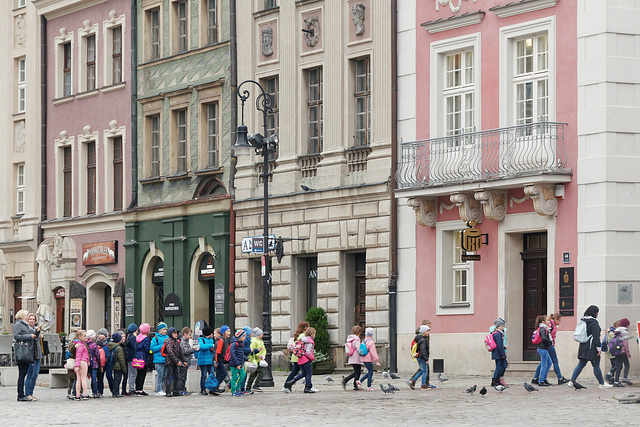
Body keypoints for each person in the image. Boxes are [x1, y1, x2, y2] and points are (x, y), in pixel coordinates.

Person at [568, 305, 612, 389]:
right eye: (597, 312)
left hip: (583, 345)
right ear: (594, 313)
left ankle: (572, 381)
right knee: (596, 364)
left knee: (581, 364)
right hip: (592, 347)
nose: (597, 314)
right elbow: (596, 337)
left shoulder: (584, 320)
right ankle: (602, 383)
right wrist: (599, 348)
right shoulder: (594, 323)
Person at [532, 313, 569, 385]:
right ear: (555, 319)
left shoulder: (549, 325)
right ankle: (557, 378)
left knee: (547, 362)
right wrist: (550, 342)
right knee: (552, 361)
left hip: (546, 346)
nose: (560, 322)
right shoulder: (548, 326)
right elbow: (545, 337)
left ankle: (537, 378)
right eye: (559, 320)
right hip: (546, 346)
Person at [284, 327, 317, 394]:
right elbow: (308, 352)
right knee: (309, 373)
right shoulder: (310, 341)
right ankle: (307, 388)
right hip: (306, 359)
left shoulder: (303, 339)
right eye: (314, 334)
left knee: (304, 373)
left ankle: (290, 382)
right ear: (312, 334)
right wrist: (312, 358)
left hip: (300, 358)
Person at [13, 309, 35, 402]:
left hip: (27, 351)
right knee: (22, 374)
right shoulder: (18, 324)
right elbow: (17, 336)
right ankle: (20, 394)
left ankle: (22, 394)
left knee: (23, 374)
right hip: (22, 351)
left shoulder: (24, 325)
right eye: (26, 315)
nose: (27, 317)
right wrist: (30, 336)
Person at [283, 321, 309, 392]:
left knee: (294, 372)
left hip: (295, 356)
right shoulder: (303, 336)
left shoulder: (297, 335)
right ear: (305, 328)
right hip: (301, 357)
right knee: (307, 372)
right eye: (308, 327)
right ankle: (308, 386)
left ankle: (286, 386)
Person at [164, 327, 187, 397]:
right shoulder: (168, 341)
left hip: (175, 362)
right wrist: (177, 361)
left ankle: (176, 391)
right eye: (174, 333)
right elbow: (170, 352)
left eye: (176, 333)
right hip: (170, 362)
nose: (176, 334)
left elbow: (180, 352)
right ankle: (167, 391)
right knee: (169, 377)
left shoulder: (176, 341)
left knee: (177, 376)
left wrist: (184, 360)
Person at [24, 313, 42, 401]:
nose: (32, 321)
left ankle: (31, 392)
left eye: (33, 319)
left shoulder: (36, 329)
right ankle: (27, 394)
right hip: (30, 355)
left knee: (35, 375)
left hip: (37, 354)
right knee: (30, 375)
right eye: (30, 319)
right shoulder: (27, 329)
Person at [407, 325, 430, 390]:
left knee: (422, 370)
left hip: (419, 357)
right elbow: (423, 350)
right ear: (423, 332)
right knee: (425, 371)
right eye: (427, 331)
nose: (428, 332)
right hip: (422, 357)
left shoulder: (418, 338)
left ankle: (413, 381)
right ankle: (423, 385)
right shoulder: (423, 340)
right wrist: (426, 359)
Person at [534, 315, 554, 387]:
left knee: (549, 362)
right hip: (542, 348)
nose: (549, 322)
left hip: (544, 348)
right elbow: (544, 338)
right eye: (547, 320)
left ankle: (544, 379)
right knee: (544, 364)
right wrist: (550, 342)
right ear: (543, 322)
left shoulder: (545, 328)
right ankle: (541, 380)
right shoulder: (542, 328)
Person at [613, 318, 633, 387]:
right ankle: (624, 377)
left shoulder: (616, 331)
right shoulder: (624, 332)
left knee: (619, 366)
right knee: (627, 364)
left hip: (616, 351)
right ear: (626, 325)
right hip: (622, 352)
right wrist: (628, 354)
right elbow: (625, 345)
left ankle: (616, 381)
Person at [341, 325, 362, 391]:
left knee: (356, 372)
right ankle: (353, 384)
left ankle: (351, 382)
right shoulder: (356, 339)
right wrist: (363, 353)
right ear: (359, 332)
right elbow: (358, 348)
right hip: (356, 358)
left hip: (351, 358)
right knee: (357, 372)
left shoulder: (350, 339)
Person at [150, 322, 169, 396]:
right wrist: (162, 346)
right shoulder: (155, 338)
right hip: (158, 360)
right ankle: (159, 389)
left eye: (166, 329)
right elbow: (152, 348)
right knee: (160, 375)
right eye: (164, 329)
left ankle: (163, 389)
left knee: (165, 375)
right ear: (160, 330)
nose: (165, 331)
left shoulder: (167, 337)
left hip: (166, 359)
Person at [229, 329, 248, 396]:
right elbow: (233, 354)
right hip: (234, 364)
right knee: (234, 377)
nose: (245, 337)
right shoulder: (234, 344)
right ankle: (233, 391)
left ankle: (237, 388)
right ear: (239, 336)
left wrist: (246, 359)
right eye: (243, 336)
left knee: (243, 375)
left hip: (239, 363)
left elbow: (241, 354)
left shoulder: (240, 344)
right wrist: (237, 363)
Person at [197, 326, 216, 395]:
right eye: (211, 333)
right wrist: (211, 345)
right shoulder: (201, 339)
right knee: (204, 376)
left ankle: (212, 389)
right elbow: (202, 347)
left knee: (212, 375)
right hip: (203, 361)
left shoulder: (211, 339)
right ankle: (203, 389)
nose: (212, 335)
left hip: (210, 360)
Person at [246, 327, 266, 392]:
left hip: (259, 360)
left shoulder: (260, 341)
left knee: (254, 374)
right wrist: (258, 355)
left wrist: (263, 355)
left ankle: (249, 386)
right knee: (258, 373)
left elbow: (264, 350)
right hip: (254, 360)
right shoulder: (254, 341)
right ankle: (253, 386)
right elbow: (252, 351)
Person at [134, 323, 151, 396]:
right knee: (142, 374)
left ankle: (137, 389)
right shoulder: (146, 339)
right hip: (144, 359)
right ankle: (140, 390)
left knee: (138, 374)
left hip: (138, 358)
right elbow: (147, 349)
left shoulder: (138, 338)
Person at [73, 330, 91, 400]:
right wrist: (77, 365)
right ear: (80, 336)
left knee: (79, 379)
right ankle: (85, 393)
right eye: (84, 336)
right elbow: (78, 355)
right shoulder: (80, 345)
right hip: (82, 362)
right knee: (83, 378)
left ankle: (78, 394)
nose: (85, 337)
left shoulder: (78, 344)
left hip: (81, 361)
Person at [490, 318, 508, 388]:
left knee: (503, 365)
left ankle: (497, 379)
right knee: (499, 366)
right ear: (498, 326)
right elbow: (499, 345)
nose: (503, 327)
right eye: (502, 326)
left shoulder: (499, 333)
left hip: (498, 353)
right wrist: (503, 354)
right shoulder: (497, 334)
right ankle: (495, 380)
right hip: (498, 354)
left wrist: (504, 348)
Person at [95, 328, 112, 397]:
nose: (100, 336)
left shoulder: (109, 343)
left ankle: (113, 389)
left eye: (102, 334)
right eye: (99, 334)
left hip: (108, 363)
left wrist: (108, 358)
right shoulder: (97, 343)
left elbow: (111, 352)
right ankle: (100, 391)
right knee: (100, 377)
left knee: (109, 376)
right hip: (100, 363)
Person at [109, 332, 126, 397]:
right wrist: (124, 369)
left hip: (113, 364)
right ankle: (116, 392)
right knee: (118, 379)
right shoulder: (118, 348)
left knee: (115, 378)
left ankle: (114, 391)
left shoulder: (111, 346)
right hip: (118, 366)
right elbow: (121, 359)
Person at [178, 326, 195, 395]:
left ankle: (183, 388)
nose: (190, 336)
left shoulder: (186, 341)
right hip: (183, 362)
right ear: (185, 334)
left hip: (186, 361)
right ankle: (180, 389)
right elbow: (185, 351)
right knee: (181, 376)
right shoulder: (183, 342)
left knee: (184, 376)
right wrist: (193, 348)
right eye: (189, 335)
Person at [85, 330, 101, 398]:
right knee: (94, 378)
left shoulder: (85, 344)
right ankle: (95, 392)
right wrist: (99, 363)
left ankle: (78, 392)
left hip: (86, 362)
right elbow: (97, 355)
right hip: (94, 363)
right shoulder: (94, 345)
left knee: (82, 378)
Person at [214, 325, 231, 392]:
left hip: (220, 360)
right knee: (223, 374)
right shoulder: (221, 340)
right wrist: (216, 361)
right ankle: (214, 387)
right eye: (227, 331)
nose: (229, 333)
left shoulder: (224, 340)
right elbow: (218, 352)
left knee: (218, 375)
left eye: (229, 331)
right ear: (223, 332)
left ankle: (215, 388)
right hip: (218, 360)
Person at [604, 320, 620, 384]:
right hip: (612, 351)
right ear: (617, 326)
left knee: (614, 364)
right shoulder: (612, 333)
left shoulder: (609, 331)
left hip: (611, 351)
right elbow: (613, 342)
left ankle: (611, 379)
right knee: (616, 365)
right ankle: (609, 375)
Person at [125, 323, 138, 396]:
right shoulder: (133, 337)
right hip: (132, 358)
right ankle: (131, 389)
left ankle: (131, 388)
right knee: (133, 374)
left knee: (131, 373)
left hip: (129, 357)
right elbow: (135, 347)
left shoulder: (128, 336)